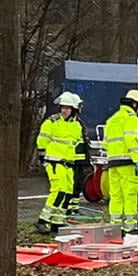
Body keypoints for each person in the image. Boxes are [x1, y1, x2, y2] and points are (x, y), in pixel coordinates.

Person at [35, 91, 82, 234]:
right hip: (54, 162)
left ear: (73, 110)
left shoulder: (76, 126)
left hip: (68, 163)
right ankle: (43, 221)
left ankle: (57, 222)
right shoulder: (52, 122)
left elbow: (74, 145)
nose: (64, 110)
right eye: (62, 107)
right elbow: (41, 141)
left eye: (67, 108)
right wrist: (44, 157)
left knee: (68, 192)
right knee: (58, 190)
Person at [103, 89, 138, 233]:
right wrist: (137, 159)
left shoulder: (112, 119)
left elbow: (105, 143)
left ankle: (115, 226)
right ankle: (130, 227)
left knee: (115, 196)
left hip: (112, 163)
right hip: (127, 163)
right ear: (134, 104)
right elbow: (130, 139)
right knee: (130, 195)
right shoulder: (131, 118)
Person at [67, 93, 91, 216]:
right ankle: (69, 208)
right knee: (71, 185)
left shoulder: (79, 122)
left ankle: (74, 208)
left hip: (80, 160)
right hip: (72, 160)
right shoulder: (70, 123)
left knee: (78, 185)